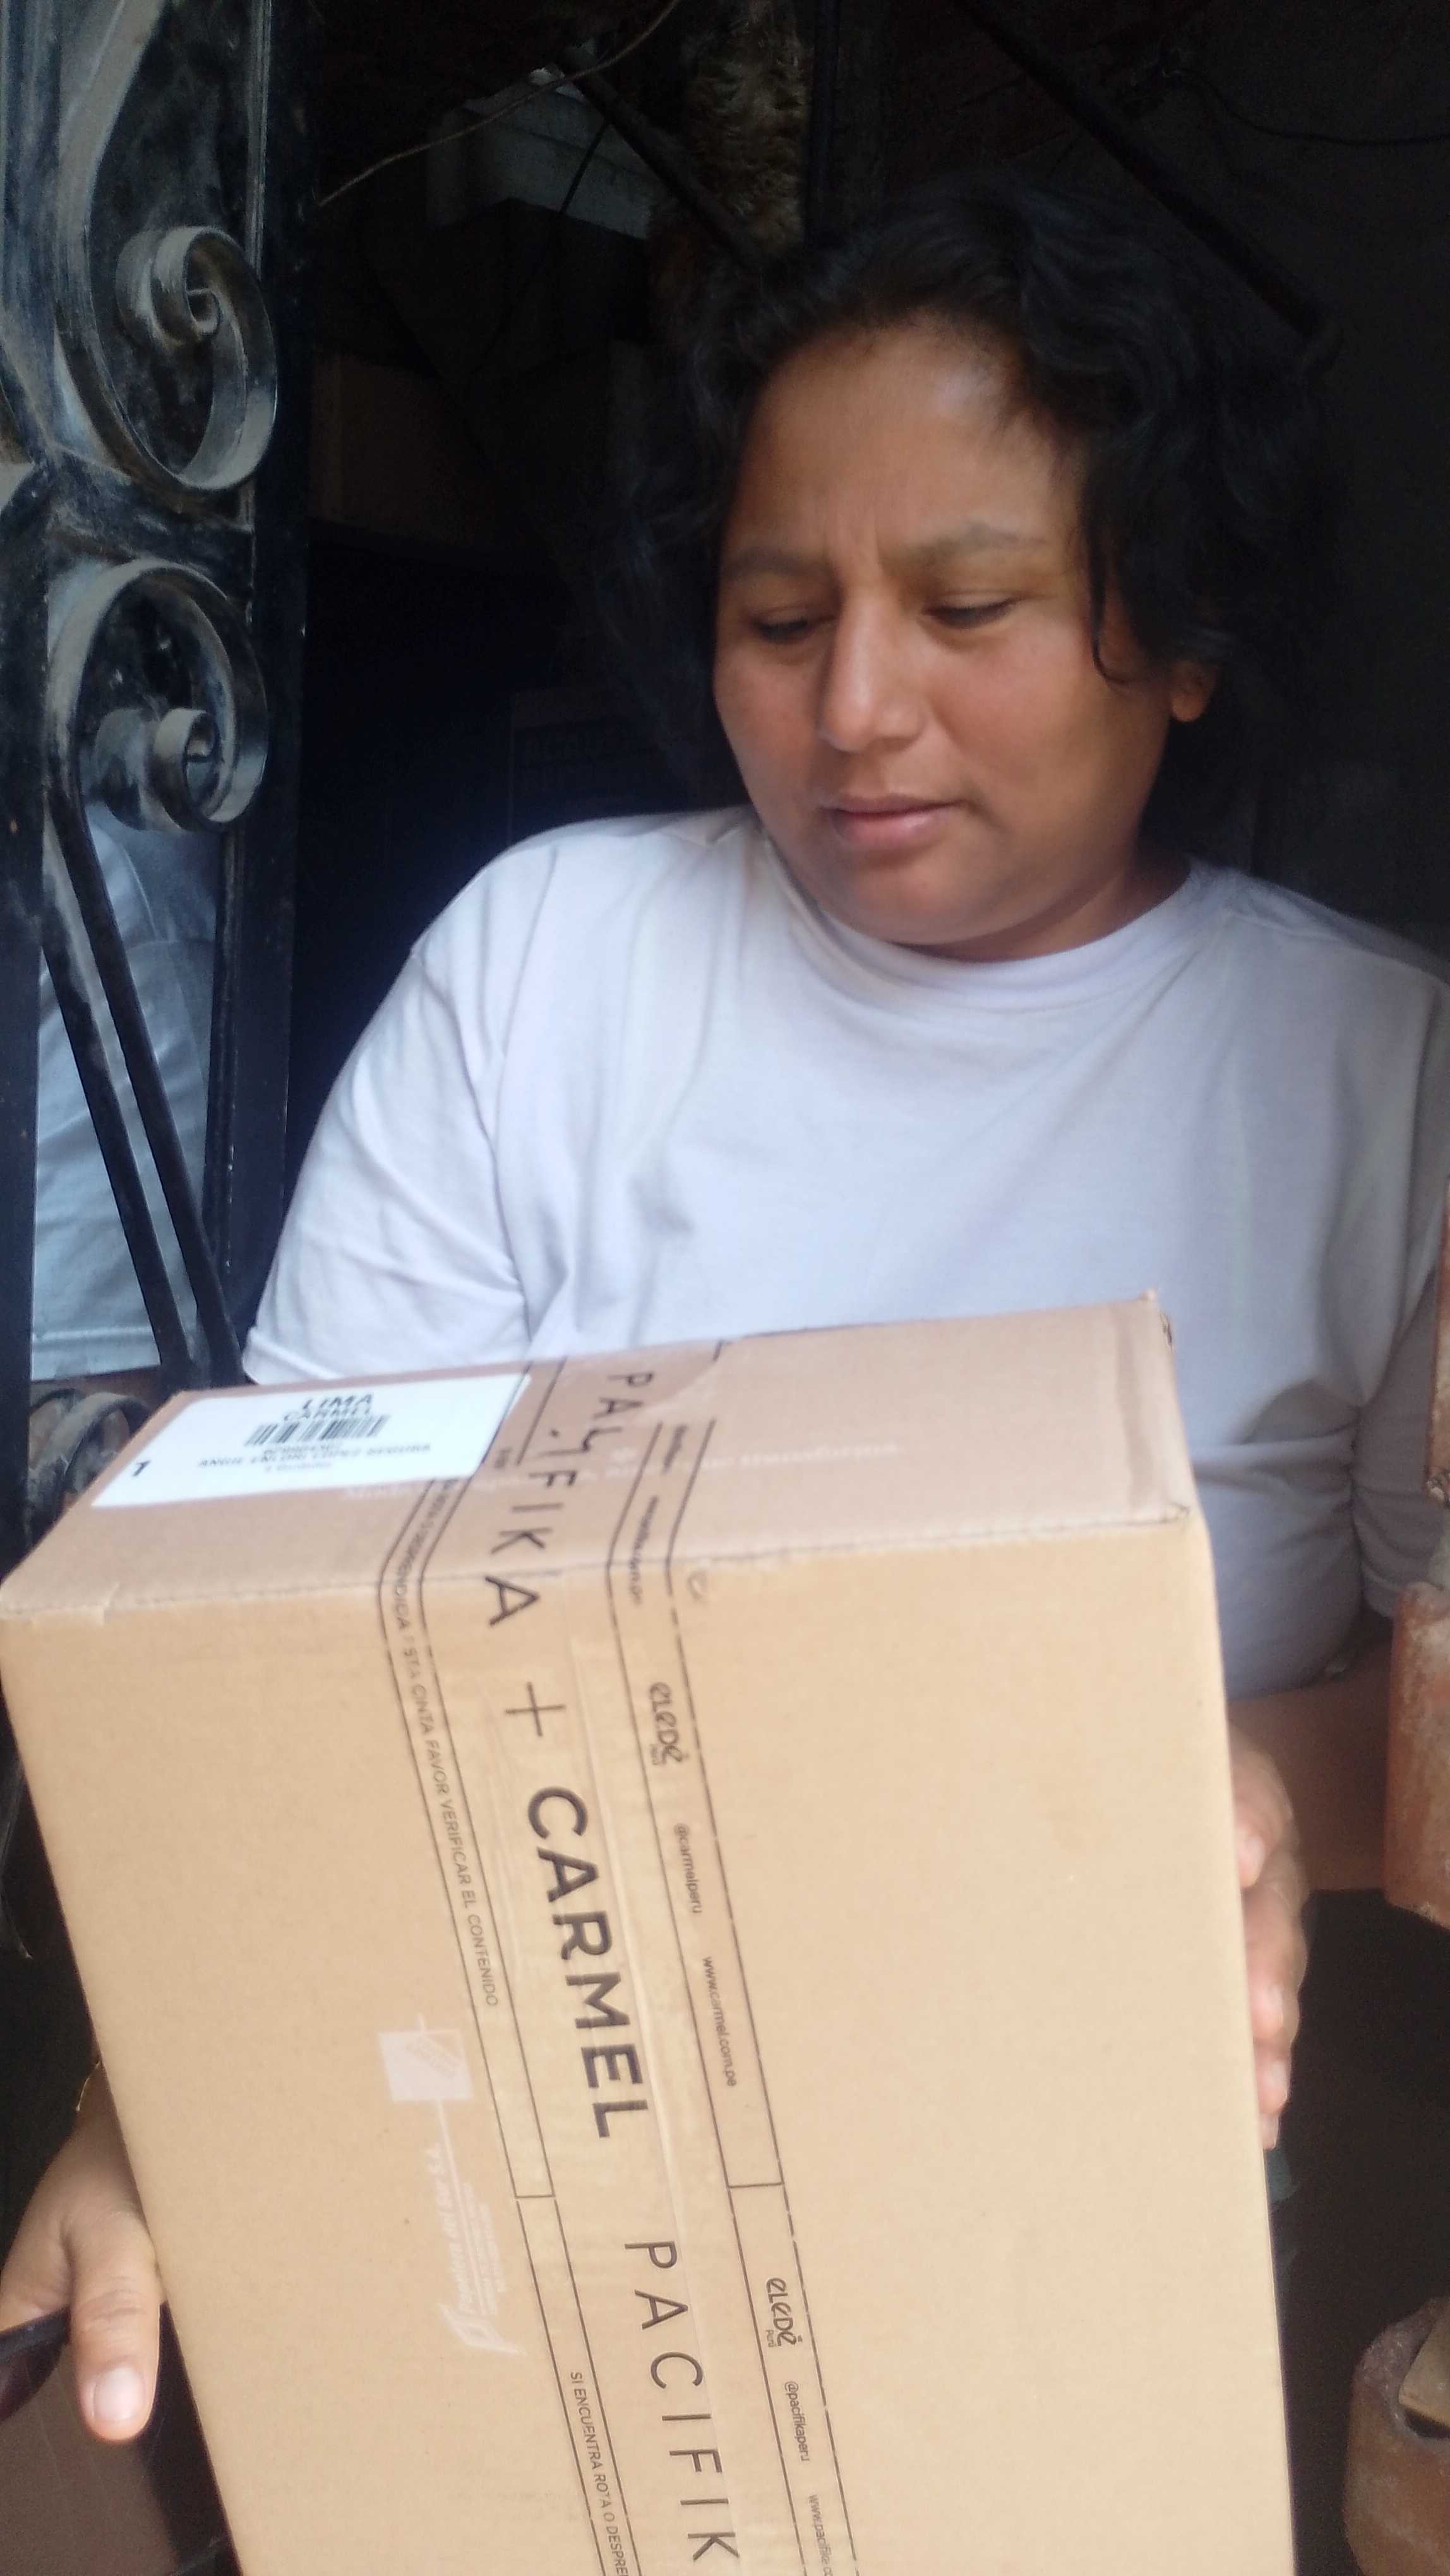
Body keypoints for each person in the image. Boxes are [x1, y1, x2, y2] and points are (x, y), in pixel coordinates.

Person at [3, 171, 1444, 2447]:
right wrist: (155, 2098)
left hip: (1076, 2149)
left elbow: (1425, 1706)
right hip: (498, 2108)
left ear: (1181, 634)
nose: (855, 707)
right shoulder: (548, 970)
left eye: (965, 605)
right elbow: (270, 1605)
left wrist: (1211, 1781)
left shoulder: (1381, 1079)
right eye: (780, 617)